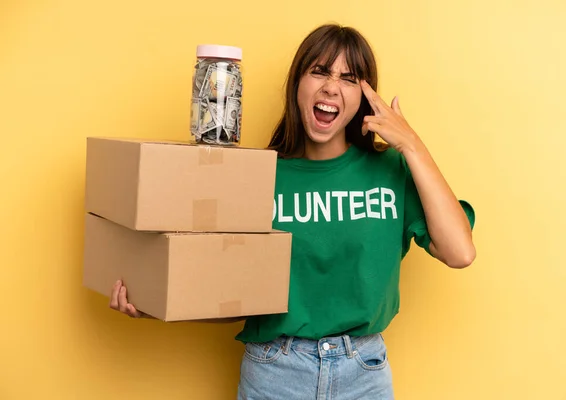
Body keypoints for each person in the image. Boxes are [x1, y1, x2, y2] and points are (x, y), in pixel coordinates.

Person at [109, 23, 476, 399]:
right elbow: (232, 296)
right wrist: (155, 302)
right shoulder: (256, 177)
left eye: (349, 78)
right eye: (319, 71)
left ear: (363, 97)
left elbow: (460, 252)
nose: (331, 87)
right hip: (275, 373)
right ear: (297, 84)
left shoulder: (391, 171)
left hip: (364, 375)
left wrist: (412, 145)